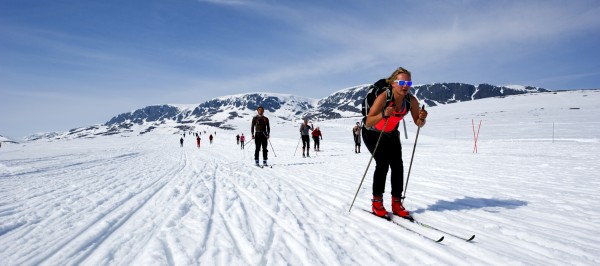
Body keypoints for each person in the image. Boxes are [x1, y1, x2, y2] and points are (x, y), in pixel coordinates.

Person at [362, 67, 428, 218]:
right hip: (372, 133)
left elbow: (418, 123)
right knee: (382, 163)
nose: (405, 85)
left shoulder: (410, 101)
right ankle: (377, 203)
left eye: (408, 82)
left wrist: (422, 118)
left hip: (391, 133)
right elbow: (367, 121)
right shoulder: (384, 97)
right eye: (402, 82)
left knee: (397, 165)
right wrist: (384, 114)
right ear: (393, 83)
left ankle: (396, 204)